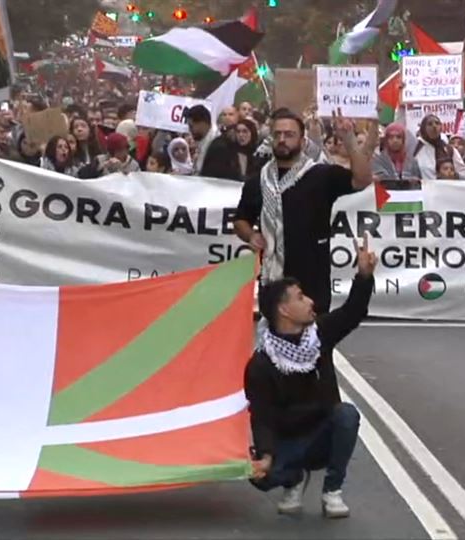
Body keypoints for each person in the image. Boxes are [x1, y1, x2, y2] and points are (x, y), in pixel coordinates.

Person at [246, 235, 376, 518]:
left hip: (321, 433)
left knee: (347, 415)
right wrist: (266, 457)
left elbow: (353, 313)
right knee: (259, 476)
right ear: (283, 310)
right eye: (301, 298)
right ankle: (292, 480)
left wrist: (364, 276)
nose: (310, 301)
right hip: (288, 440)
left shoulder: (320, 334)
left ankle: (332, 491)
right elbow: (262, 416)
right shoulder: (261, 364)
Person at [233, 109, 374, 313]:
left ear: (302, 140)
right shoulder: (258, 181)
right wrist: (251, 234)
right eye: (277, 134)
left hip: (312, 283)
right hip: (273, 282)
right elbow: (240, 221)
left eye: (289, 135)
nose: (282, 140)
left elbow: (362, 180)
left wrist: (349, 139)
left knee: (315, 341)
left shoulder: (321, 175)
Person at [184, 104, 237, 179]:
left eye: (191, 126)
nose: (190, 130)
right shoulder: (205, 143)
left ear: (202, 123)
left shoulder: (219, 147)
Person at [414, 115, 465, 180]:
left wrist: (454, 175)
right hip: (426, 189)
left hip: (447, 189)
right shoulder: (416, 149)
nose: (434, 126)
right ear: (423, 128)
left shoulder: (450, 150)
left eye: (437, 123)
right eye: (430, 124)